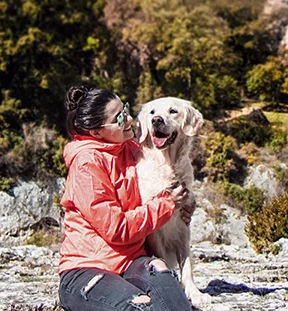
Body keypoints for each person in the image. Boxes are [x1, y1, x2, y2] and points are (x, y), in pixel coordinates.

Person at [58, 85, 194, 311]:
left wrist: (185, 203)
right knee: (140, 308)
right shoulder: (87, 165)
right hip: (87, 270)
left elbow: (169, 178)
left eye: (126, 109)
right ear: (96, 133)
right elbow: (116, 228)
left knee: (177, 305)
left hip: (133, 263)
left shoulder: (132, 149)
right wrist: (168, 204)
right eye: (119, 117)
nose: (130, 118)